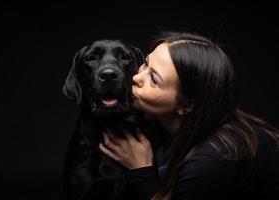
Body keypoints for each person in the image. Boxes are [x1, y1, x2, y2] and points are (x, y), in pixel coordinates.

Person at [98, 31, 279, 200]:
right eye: (145, 63)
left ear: (186, 105)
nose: (136, 78)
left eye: (153, 79)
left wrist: (140, 169)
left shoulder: (208, 164)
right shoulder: (207, 120)